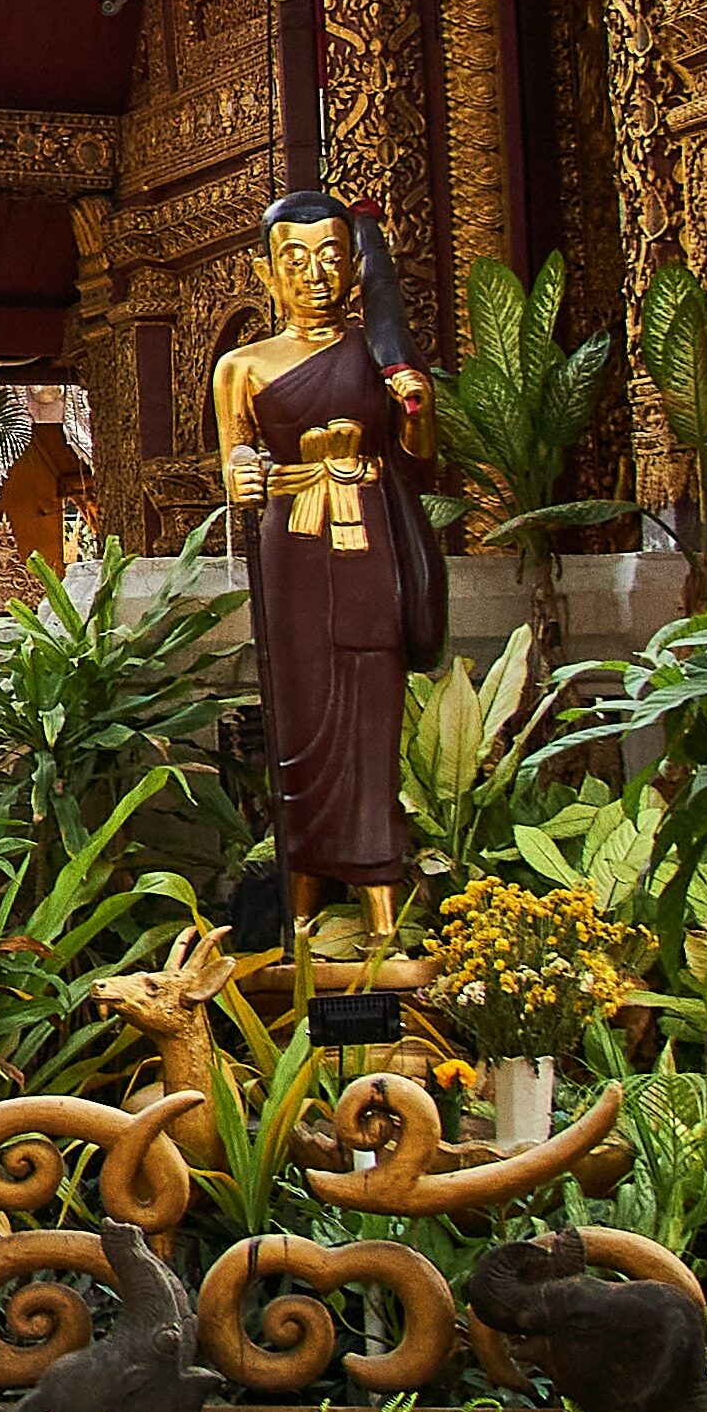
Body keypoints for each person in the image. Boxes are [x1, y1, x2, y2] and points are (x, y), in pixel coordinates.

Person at [210, 191, 444, 938]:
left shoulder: (377, 356)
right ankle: (303, 903)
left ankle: (379, 902)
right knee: (299, 715)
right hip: (294, 550)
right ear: (266, 273)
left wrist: (418, 407)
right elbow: (234, 460)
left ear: (353, 269)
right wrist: (242, 472)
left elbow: (420, 463)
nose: (316, 274)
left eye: (333, 256)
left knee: (372, 714)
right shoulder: (242, 367)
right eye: (296, 259)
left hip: (366, 539)